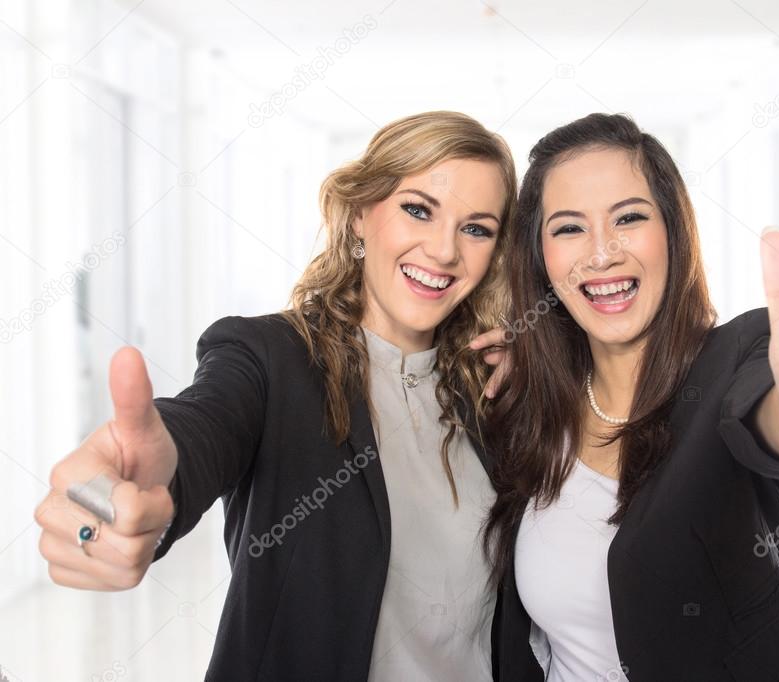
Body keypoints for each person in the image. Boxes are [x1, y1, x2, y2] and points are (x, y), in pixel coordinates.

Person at [34, 110, 521, 680]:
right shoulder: (269, 357)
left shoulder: (490, 388)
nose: (443, 251)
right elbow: (203, 426)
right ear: (362, 215)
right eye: (418, 210)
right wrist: (135, 484)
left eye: (476, 228)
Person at [480, 113, 779, 681]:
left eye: (629, 218)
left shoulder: (734, 361)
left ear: (673, 231)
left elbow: (768, 405)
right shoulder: (533, 412)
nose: (602, 254)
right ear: (541, 258)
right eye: (569, 228)